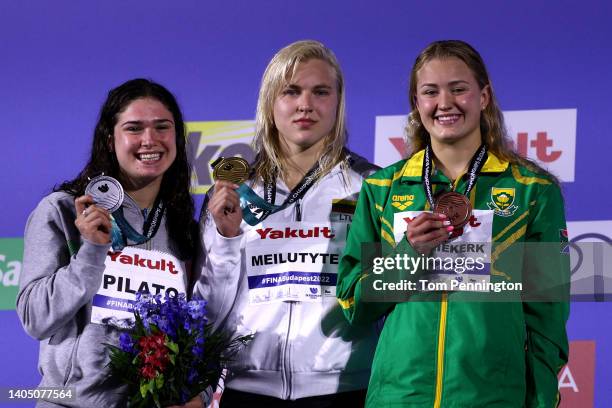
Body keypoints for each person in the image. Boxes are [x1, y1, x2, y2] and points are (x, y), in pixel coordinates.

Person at [336, 40, 570, 407]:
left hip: (492, 396)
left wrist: (538, 398)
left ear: (484, 96)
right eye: (431, 92)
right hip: (401, 395)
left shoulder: (532, 191)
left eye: (458, 88)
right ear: (417, 103)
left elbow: (548, 313)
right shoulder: (382, 188)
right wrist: (407, 255)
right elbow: (355, 303)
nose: (445, 103)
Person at [193, 40, 379, 406]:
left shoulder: (371, 186)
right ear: (270, 102)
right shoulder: (233, 189)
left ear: (338, 101)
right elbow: (207, 307)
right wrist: (226, 240)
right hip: (248, 390)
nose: (305, 105)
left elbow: (383, 295)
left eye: (320, 92)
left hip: (344, 388)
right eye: (291, 91)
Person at [17, 79, 200, 407]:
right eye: (133, 128)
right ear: (109, 138)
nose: (150, 140)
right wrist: (90, 250)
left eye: (162, 127)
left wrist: (198, 392)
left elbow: (197, 325)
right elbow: (35, 317)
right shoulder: (62, 211)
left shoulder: (182, 227)